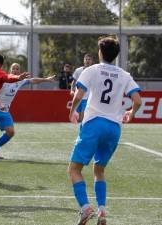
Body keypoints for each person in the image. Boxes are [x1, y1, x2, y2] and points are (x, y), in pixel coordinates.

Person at [68, 36, 141, 225]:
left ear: (100, 53)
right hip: (114, 128)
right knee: (99, 170)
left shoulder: (91, 70)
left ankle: (85, 208)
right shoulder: (124, 74)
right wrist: (131, 113)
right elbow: (138, 100)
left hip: (94, 124)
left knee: (74, 169)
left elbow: (79, 93)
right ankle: (102, 211)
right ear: (116, 55)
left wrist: (73, 111)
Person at [0, 63, 55, 159]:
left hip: (4, 111)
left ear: (19, 71)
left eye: (17, 69)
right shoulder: (4, 80)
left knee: (10, 132)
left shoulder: (20, 81)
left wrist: (46, 79)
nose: (15, 70)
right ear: (10, 70)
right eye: (13, 68)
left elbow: (33, 80)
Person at [70, 54, 94, 122]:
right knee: (77, 119)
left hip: (87, 98)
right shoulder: (78, 70)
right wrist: (71, 90)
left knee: (83, 118)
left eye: (89, 59)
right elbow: (73, 82)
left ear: (92, 61)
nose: (87, 61)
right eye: (86, 59)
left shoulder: (94, 71)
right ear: (84, 61)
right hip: (77, 97)